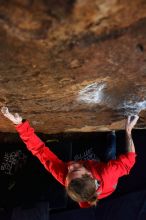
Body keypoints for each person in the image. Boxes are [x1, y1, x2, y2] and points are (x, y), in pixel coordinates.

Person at [1, 107, 139, 208]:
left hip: (91, 187)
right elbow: (130, 161)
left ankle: (110, 134)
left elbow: (39, 150)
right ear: (90, 175)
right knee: (110, 154)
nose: (69, 166)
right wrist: (128, 131)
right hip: (109, 186)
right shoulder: (108, 173)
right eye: (75, 170)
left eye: (69, 172)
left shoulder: (64, 176)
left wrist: (20, 125)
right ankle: (112, 134)